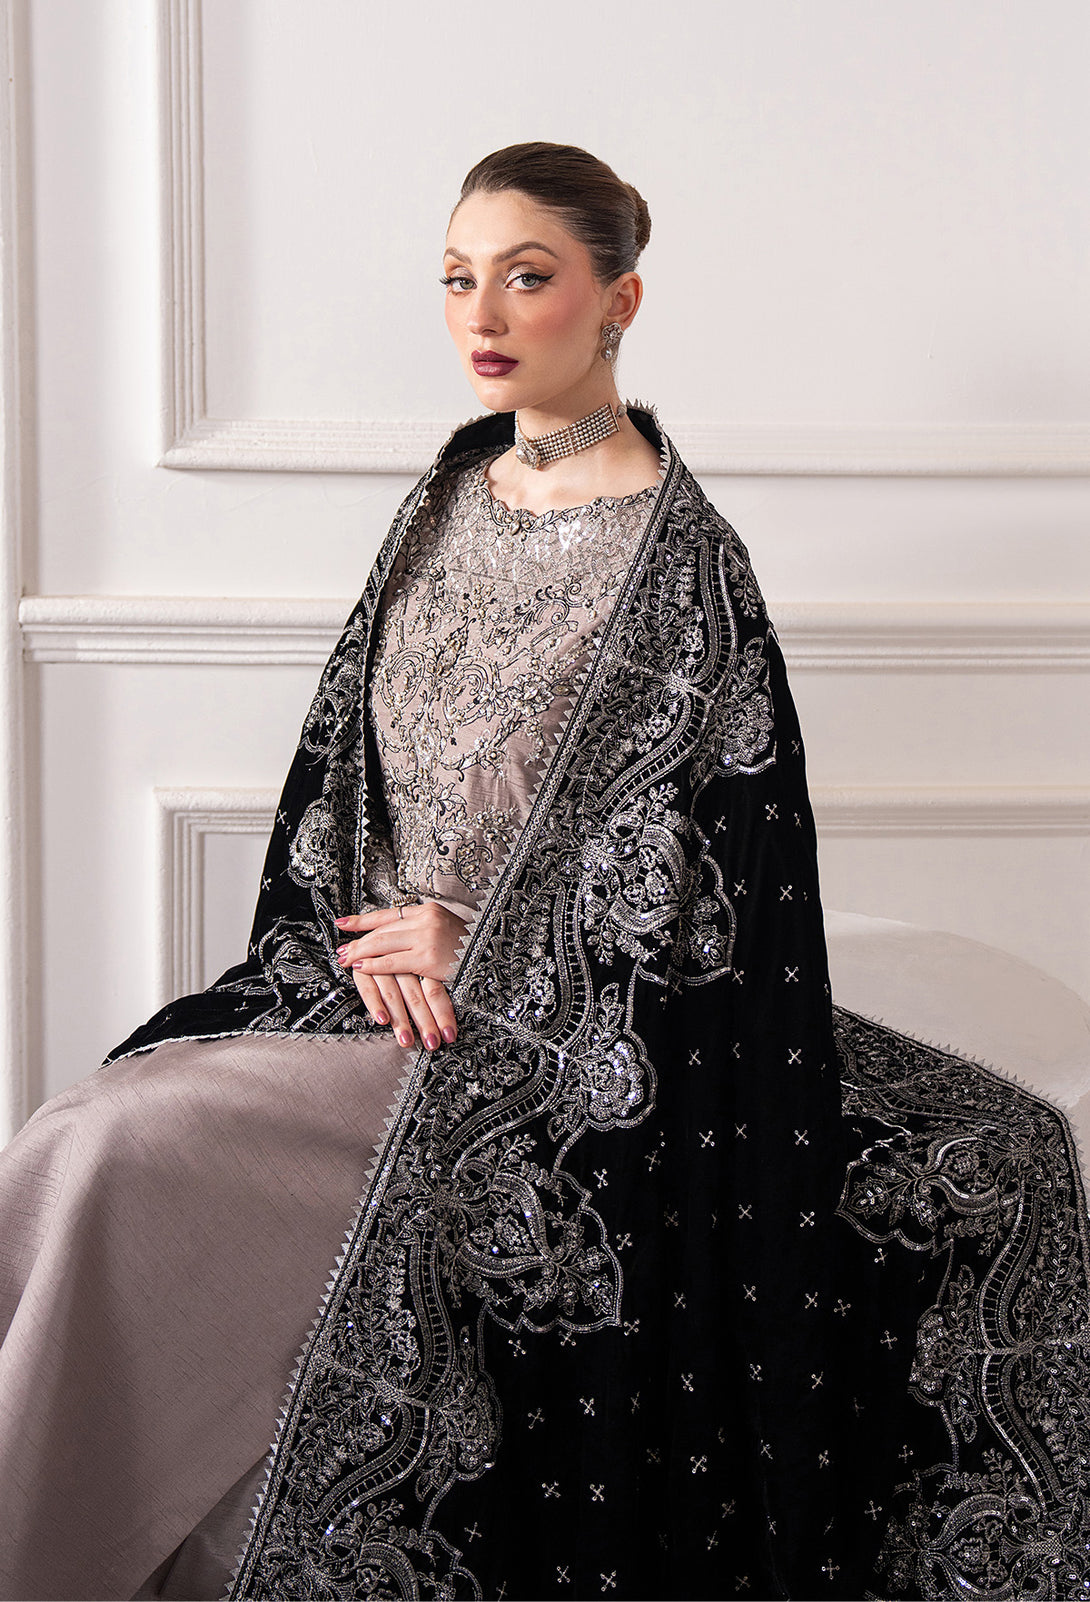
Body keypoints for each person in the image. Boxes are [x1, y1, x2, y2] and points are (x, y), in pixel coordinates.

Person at [1, 141, 1089, 1602]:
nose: (484, 313)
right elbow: (350, 781)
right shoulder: (451, 494)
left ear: (618, 298)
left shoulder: (680, 564)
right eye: (458, 278)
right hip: (356, 981)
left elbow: (709, 877)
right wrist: (366, 934)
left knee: (125, 1147)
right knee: (79, 1137)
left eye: (527, 276)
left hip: (534, 1028)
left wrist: (490, 950)